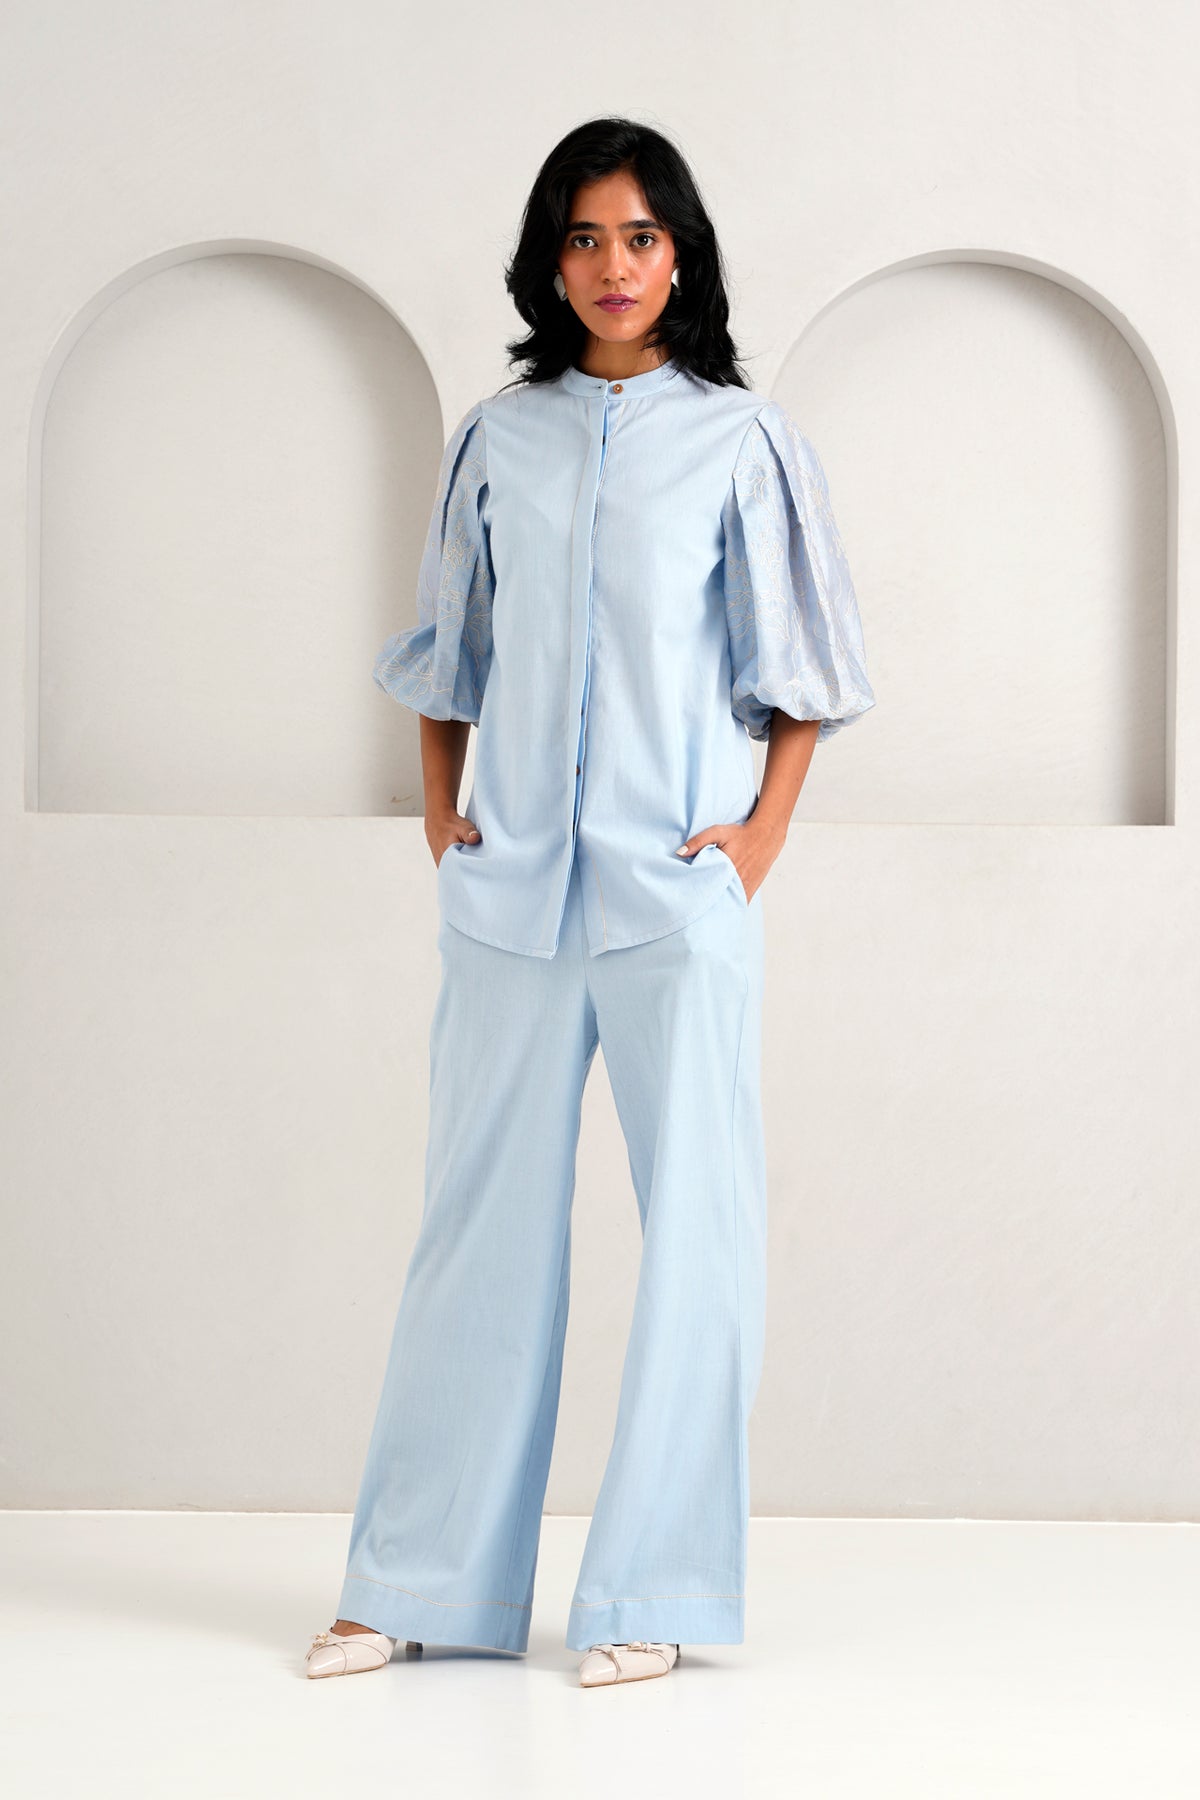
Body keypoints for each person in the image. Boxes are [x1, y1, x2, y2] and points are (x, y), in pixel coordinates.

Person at [305, 116, 875, 1690]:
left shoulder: (742, 442)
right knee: (473, 1236)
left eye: (637, 236)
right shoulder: (499, 438)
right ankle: (415, 1583)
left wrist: (756, 845)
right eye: (582, 237)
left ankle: (656, 1592)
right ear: (547, 262)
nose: (611, 265)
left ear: (680, 256)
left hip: (673, 895)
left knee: (699, 1237)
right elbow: (449, 654)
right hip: (508, 902)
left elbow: (804, 670)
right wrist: (442, 819)